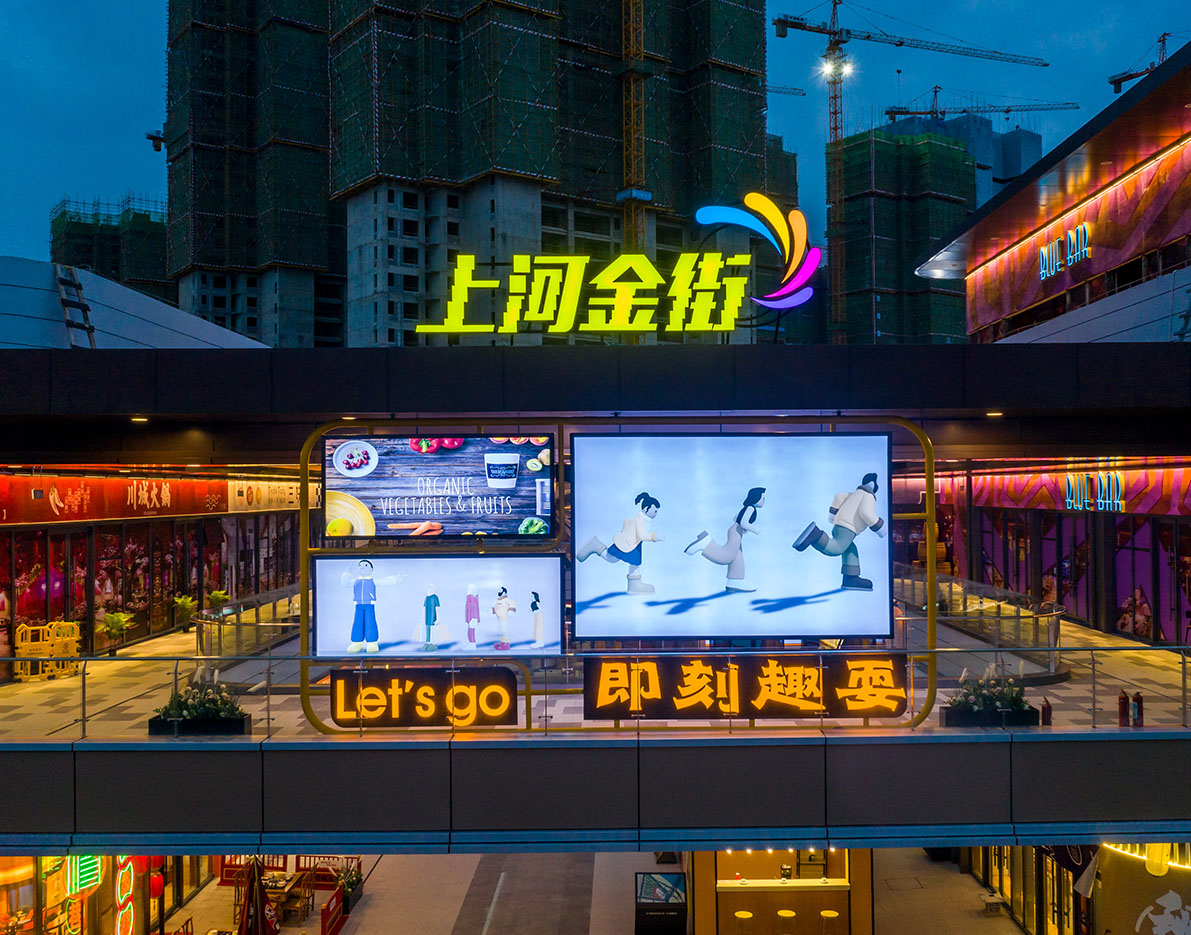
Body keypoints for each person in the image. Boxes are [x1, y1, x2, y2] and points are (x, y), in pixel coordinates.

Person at [793, 473, 886, 591]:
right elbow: (865, 513)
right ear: (873, 484)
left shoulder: (855, 494)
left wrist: (833, 516)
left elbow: (839, 497)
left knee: (850, 549)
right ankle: (815, 535)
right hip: (848, 527)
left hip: (839, 525)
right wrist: (880, 528)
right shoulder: (868, 496)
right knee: (836, 548)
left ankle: (851, 578)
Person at [576, 492, 665, 594]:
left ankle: (635, 585)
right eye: (655, 510)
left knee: (634, 562)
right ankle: (596, 546)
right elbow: (641, 535)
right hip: (628, 544)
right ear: (646, 509)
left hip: (632, 543)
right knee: (613, 559)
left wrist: (625, 531)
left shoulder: (641, 519)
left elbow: (627, 521)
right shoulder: (641, 520)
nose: (656, 513)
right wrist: (655, 536)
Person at [684, 487, 766, 592]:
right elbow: (744, 522)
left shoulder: (747, 508)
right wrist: (756, 529)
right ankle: (705, 544)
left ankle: (735, 581)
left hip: (736, 530)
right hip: (736, 532)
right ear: (756, 497)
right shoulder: (751, 509)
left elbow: (736, 518)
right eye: (763, 498)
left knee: (738, 555)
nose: (764, 501)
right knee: (727, 556)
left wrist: (743, 528)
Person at [340, 559, 403, 653]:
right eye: (360, 565)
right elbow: (345, 583)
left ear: (371, 569)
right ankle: (356, 643)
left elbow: (384, 581)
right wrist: (347, 573)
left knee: (370, 622)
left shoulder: (372, 581)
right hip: (358, 605)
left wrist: (395, 579)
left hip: (370, 605)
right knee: (357, 623)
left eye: (365, 565)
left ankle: (372, 643)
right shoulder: (355, 581)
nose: (362, 567)